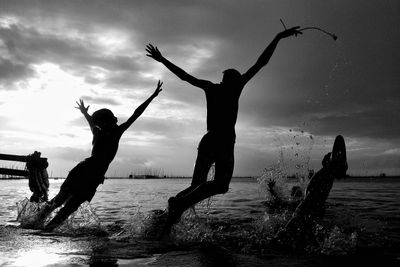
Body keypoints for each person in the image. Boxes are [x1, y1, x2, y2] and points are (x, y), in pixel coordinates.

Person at [145, 26, 303, 236]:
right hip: (224, 141)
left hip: (209, 140)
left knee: (198, 186)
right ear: (232, 80)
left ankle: (170, 213)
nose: (241, 80)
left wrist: (163, 60)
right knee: (220, 186)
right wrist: (278, 37)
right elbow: (260, 64)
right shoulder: (233, 88)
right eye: (238, 78)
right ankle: (177, 205)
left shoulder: (212, 88)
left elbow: (186, 77)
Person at [39, 81, 163, 231]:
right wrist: (153, 96)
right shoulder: (108, 132)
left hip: (88, 172)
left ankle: (41, 225)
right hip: (88, 173)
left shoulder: (105, 131)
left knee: (65, 204)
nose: (98, 124)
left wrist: (152, 96)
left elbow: (134, 114)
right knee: (63, 203)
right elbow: (133, 115)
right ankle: (42, 226)